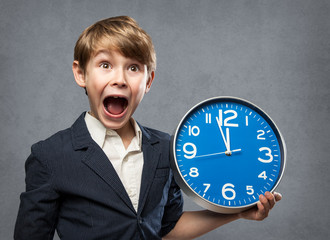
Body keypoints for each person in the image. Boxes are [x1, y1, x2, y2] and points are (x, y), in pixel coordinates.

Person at [14, 16, 282, 240]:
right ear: (81, 74)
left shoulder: (166, 148)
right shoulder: (50, 156)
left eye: (133, 67)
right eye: (105, 65)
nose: (119, 79)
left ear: (148, 80)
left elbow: (167, 228)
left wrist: (236, 212)